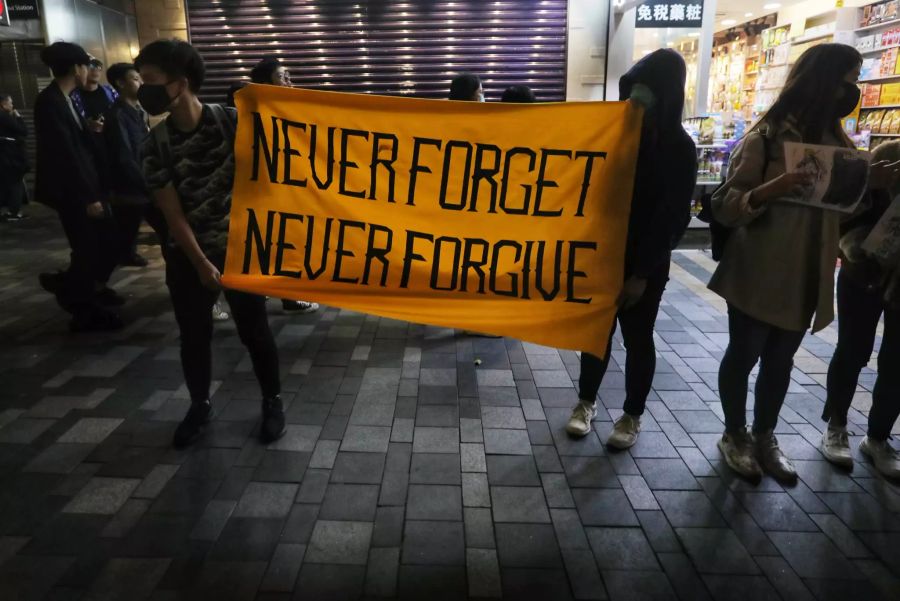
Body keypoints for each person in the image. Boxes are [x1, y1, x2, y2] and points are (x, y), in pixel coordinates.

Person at [707, 44, 894, 482]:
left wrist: (869, 186)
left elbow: (839, 214)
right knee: (745, 352)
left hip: (808, 269)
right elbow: (725, 205)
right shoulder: (767, 137)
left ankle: (765, 435)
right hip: (758, 266)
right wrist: (774, 187)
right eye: (850, 79)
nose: (854, 90)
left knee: (781, 360)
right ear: (825, 81)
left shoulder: (840, 145)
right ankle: (735, 433)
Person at [136, 39, 285, 447]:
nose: (141, 90)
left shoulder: (234, 122)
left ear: (179, 84)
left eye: (150, 81)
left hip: (241, 252)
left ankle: (273, 401)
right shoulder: (155, 145)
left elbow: (274, 177)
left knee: (255, 332)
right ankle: (199, 404)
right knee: (194, 335)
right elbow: (173, 214)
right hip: (187, 257)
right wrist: (202, 264)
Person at [565, 49, 697, 449]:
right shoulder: (616, 138)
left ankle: (631, 415)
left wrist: (641, 272)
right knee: (596, 335)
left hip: (645, 264)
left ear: (667, 96)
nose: (637, 100)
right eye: (632, 91)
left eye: (647, 92)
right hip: (602, 255)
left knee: (639, 338)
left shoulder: (678, 148)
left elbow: (674, 217)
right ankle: (585, 403)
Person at [821, 140, 900, 478]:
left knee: (897, 359)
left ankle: (878, 437)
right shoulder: (887, 155)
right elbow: (838, 217)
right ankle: (836, 426)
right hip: (862, 271)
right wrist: (869, 184)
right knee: (853, 350)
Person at [34, 42, 122, 332]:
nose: (90, 71)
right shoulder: (50, 102)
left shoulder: (67, 98)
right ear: (77, 68)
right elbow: (64, 154)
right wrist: (88, 197)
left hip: (82, 187)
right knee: (87, 247)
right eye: (87, 65)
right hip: (71, 191)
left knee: (95, 244)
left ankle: (71, 287)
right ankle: (81, 307)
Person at [247, 56, 320, 316]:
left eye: (289, 75)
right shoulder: (258, 109)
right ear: (267, 82)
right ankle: (289, 296)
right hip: (270, 189)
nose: (289, 81)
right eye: (282, 76)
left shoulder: (285, 106)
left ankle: (266, 287)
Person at [103, 62, 168, 267]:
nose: (140, 82)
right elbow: (124, 155)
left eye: (140, 78)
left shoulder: (138, 111)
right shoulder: (118, 115)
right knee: (128, 229)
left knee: (133, 228)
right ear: (120, 83)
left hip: (142, 182)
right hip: (132, 186)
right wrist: (147, 183)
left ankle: (122, 256)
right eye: (135, 78)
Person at [0, 93, 28, 221]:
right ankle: (14, 212)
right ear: (3, 104)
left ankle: (11, 212)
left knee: (6, 184)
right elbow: (23, 131)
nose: (12, 105)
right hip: (11, 156)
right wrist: (19, 117)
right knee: (16, 183)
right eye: (10, 102)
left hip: (4, 155)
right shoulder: (4, 117)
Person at [71, 57, 118, 133]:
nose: (95, 70)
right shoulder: (73, 96)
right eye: (91, 66)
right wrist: (87, 124)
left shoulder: (110, 91)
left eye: (99, 67)